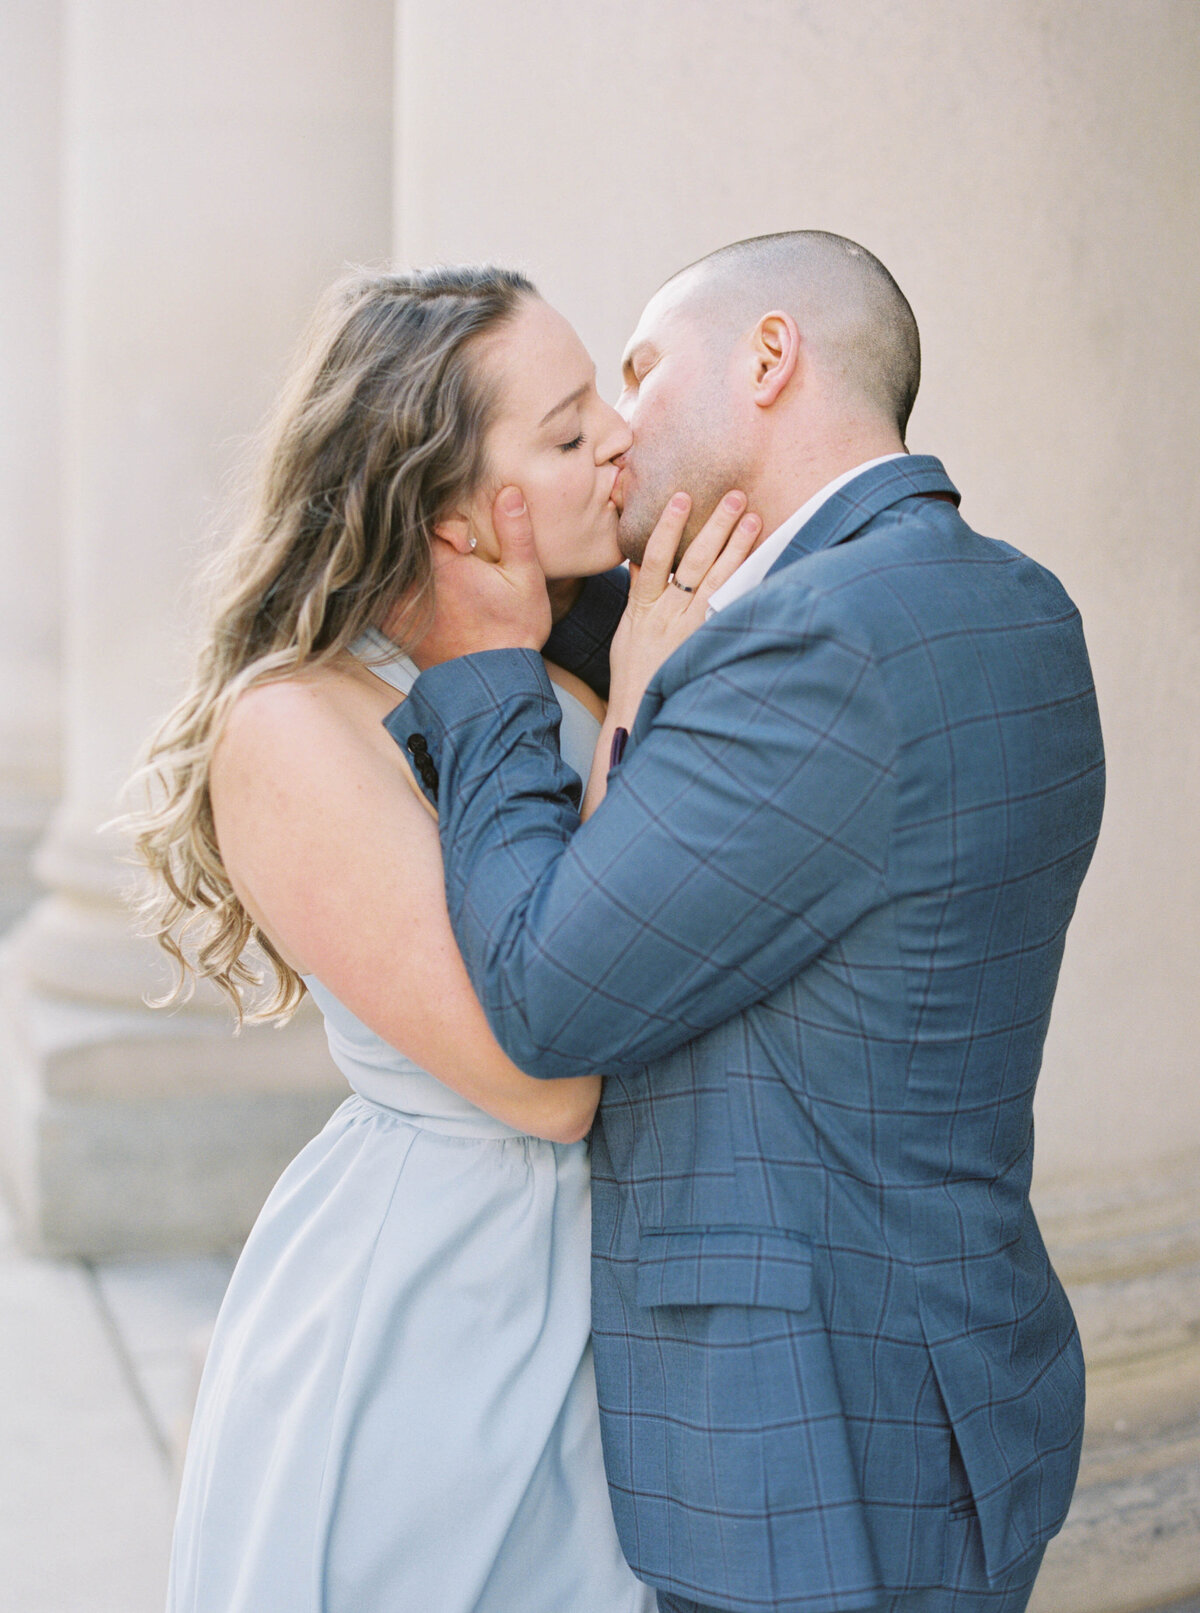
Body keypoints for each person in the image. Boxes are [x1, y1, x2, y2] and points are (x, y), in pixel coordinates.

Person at [385, 231, 1107, 1613]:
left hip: (813, 1457)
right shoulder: (1009, 602)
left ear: (770, 357)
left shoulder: (820, 642)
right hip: (943, 1387)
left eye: (641, 372)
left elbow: (548, 991)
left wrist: (479, 663)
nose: (615, 432)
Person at [128, 263, 758, 1613]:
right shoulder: (294, 725)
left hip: (625, 1279)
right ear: (448, 502)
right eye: (569, 428)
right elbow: (544, 1077)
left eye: (607, 406)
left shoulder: (570, 657)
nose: (620, 444)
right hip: (440, 1307)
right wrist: (642, 701)